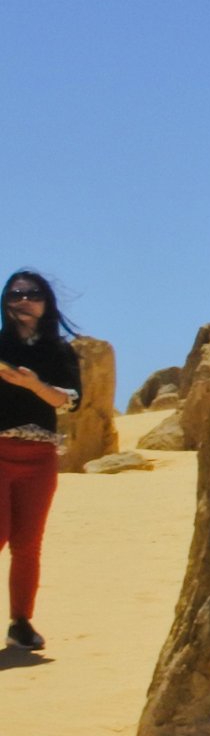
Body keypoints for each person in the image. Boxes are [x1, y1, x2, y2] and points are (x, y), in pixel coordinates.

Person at [0, 270, 84, 654]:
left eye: (33, 294)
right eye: (16, 293)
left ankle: (21, 623)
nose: (23, 299)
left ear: (46, 302)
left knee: (28, 544)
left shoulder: (58, 350)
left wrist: (32, 384)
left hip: (40, 457)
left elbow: (70, 401)